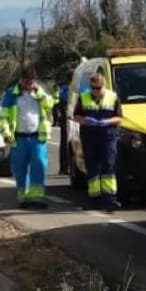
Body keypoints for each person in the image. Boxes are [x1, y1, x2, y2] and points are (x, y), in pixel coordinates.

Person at [0, 65, 55, 209]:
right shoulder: (11, 94)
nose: (29, 85)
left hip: (37, 137)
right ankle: (24, 198)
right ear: (21, 80)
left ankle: (37, 198)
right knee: (20, 169)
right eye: (26, 82)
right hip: (19, 138)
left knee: (39, 166)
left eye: (31, 82)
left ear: (35, 81)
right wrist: (5, 133)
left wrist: (39, 93)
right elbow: (3, 117)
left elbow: (50, 105)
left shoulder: (40, 93)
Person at [72, 70, 123, 210]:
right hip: (90, 137)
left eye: (98, 88)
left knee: (109, 165)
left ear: (104, 85)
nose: (95, 91)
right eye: (93, 88)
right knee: (92, 167)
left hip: (108, 136)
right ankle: (94, 198)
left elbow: (119, 117)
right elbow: (76, 116)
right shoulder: (83, 98)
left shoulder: (113, 97)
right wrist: (86, 120)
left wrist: (107, 121)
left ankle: (110, 198)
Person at [56, 75, 70, 175]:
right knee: (66, 143)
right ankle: (64, 167)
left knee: (65, 143)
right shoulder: (65, 91)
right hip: (68, 120)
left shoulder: (63, 90)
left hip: (67, 120)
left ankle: (64, 167)